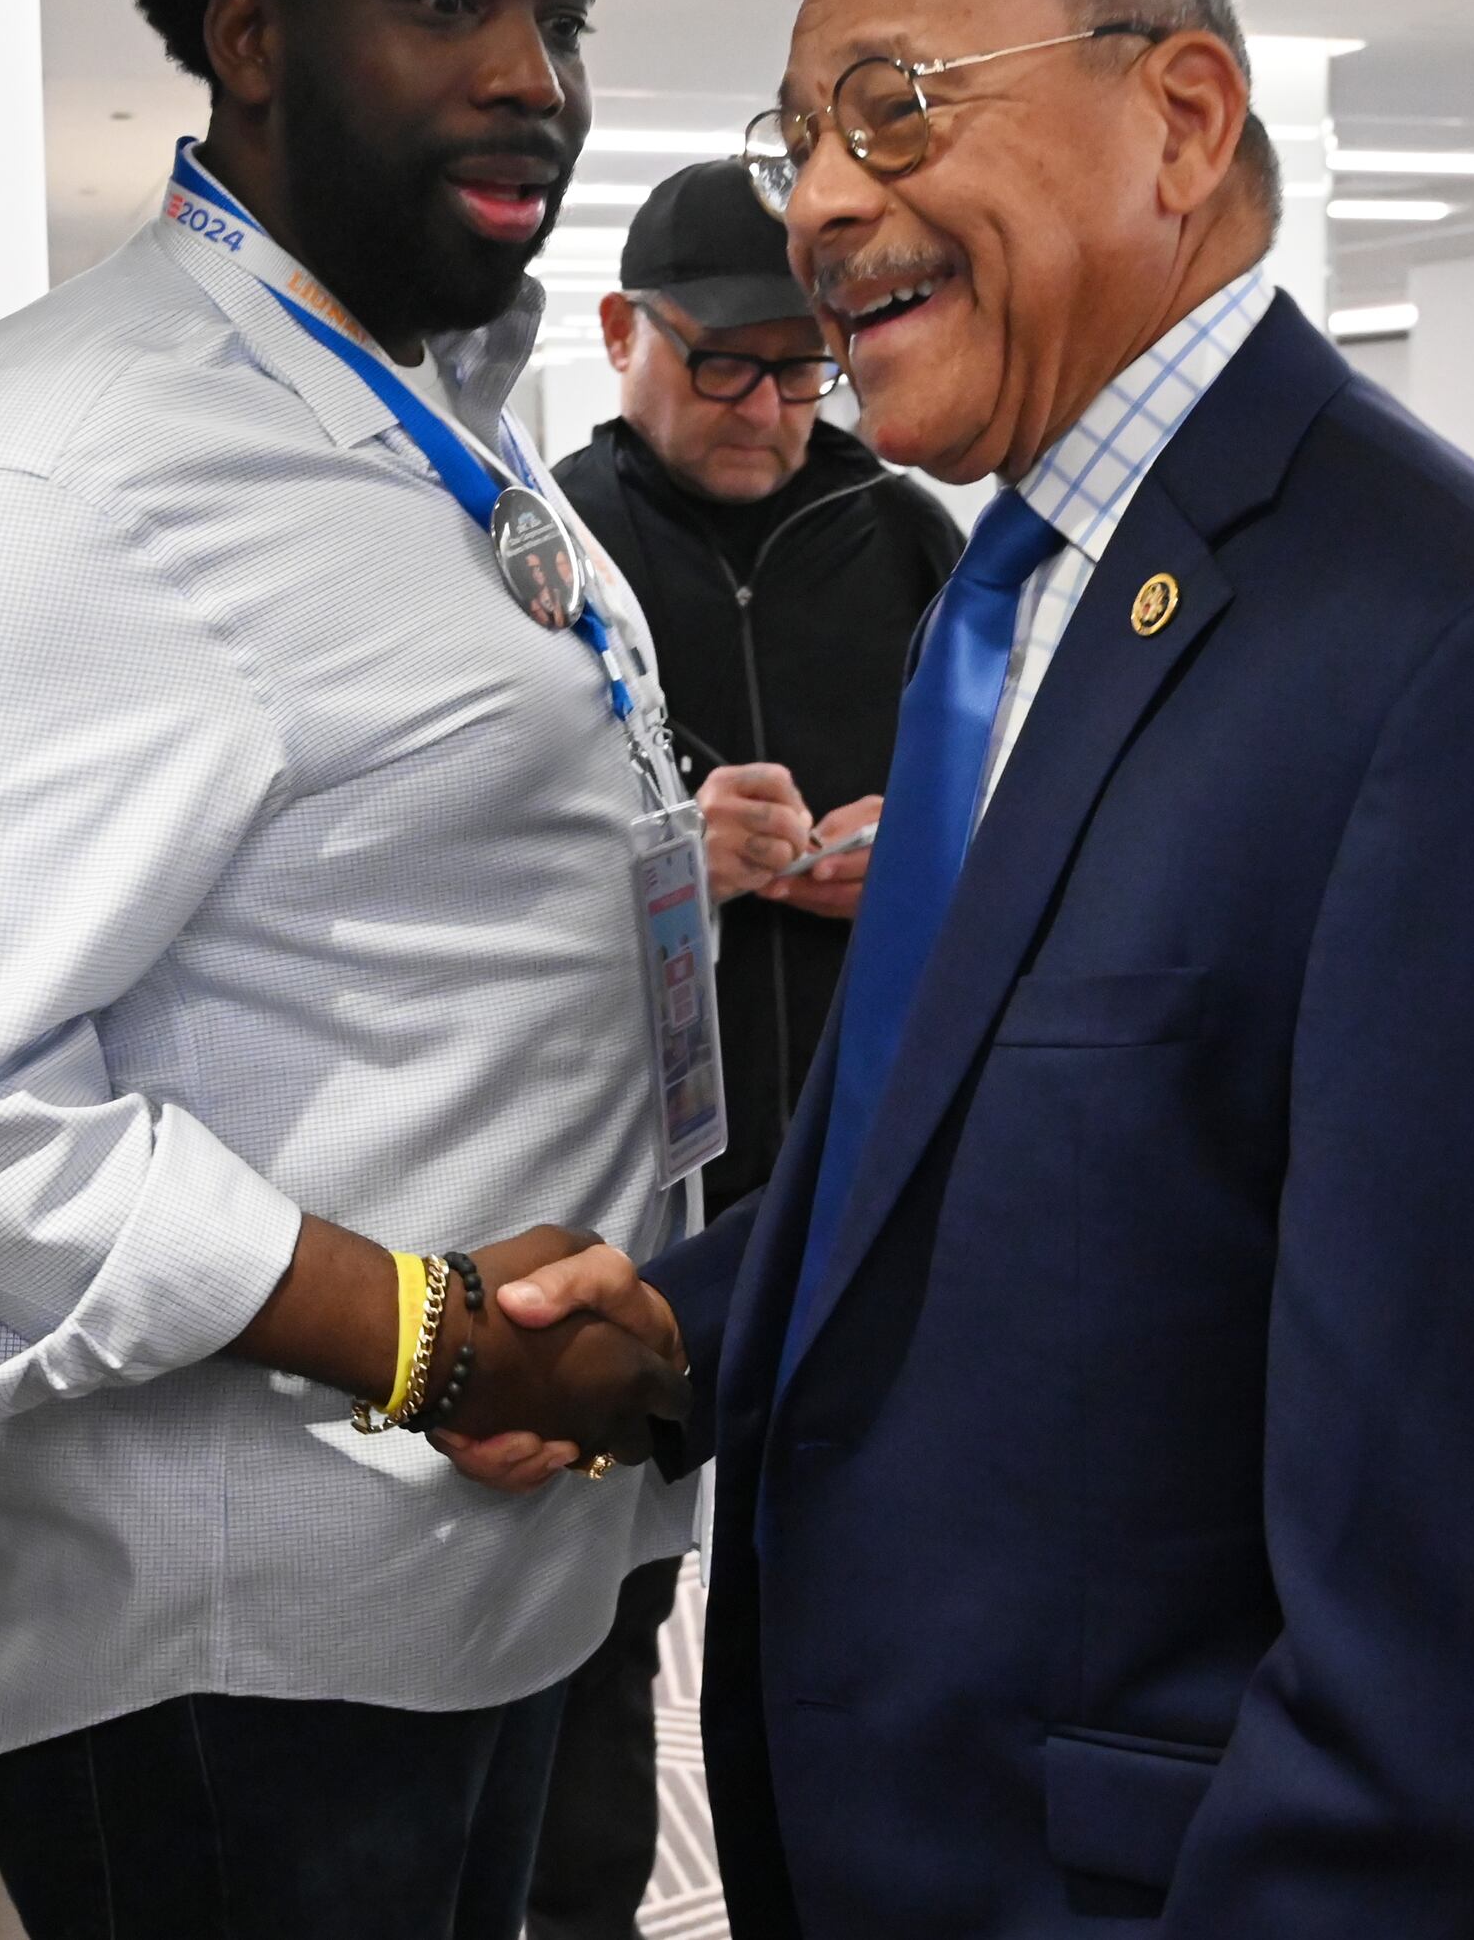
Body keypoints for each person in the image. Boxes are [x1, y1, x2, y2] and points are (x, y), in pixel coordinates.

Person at [456, 0, 1474, 1936]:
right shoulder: (1023, 596)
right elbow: (1002, 1158)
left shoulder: (1459, 652)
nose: (821, 202)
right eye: (800, 140)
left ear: (1184, 119)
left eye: (894, 104)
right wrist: (677, 1320)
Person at [0, 0, 700, 1940]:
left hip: (528, 1547)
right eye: (447, 0)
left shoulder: (437, 418)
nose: (534, 78)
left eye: (559, 15)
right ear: (250, 32)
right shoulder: (58, 470)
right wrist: (427, 1334)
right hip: (253, 1648)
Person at [531, 162, 959, 1940]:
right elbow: (454, 892)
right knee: (594, 1635)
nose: (775, 408)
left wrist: (920, 862)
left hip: (858, 1169)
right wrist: (660, 862)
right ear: (624, 333)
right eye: (728, 367)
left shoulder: (919, 544)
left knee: (863, 1612)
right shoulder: (536, 556)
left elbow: (1024, 826)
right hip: (622, 1188)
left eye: (810, 366)